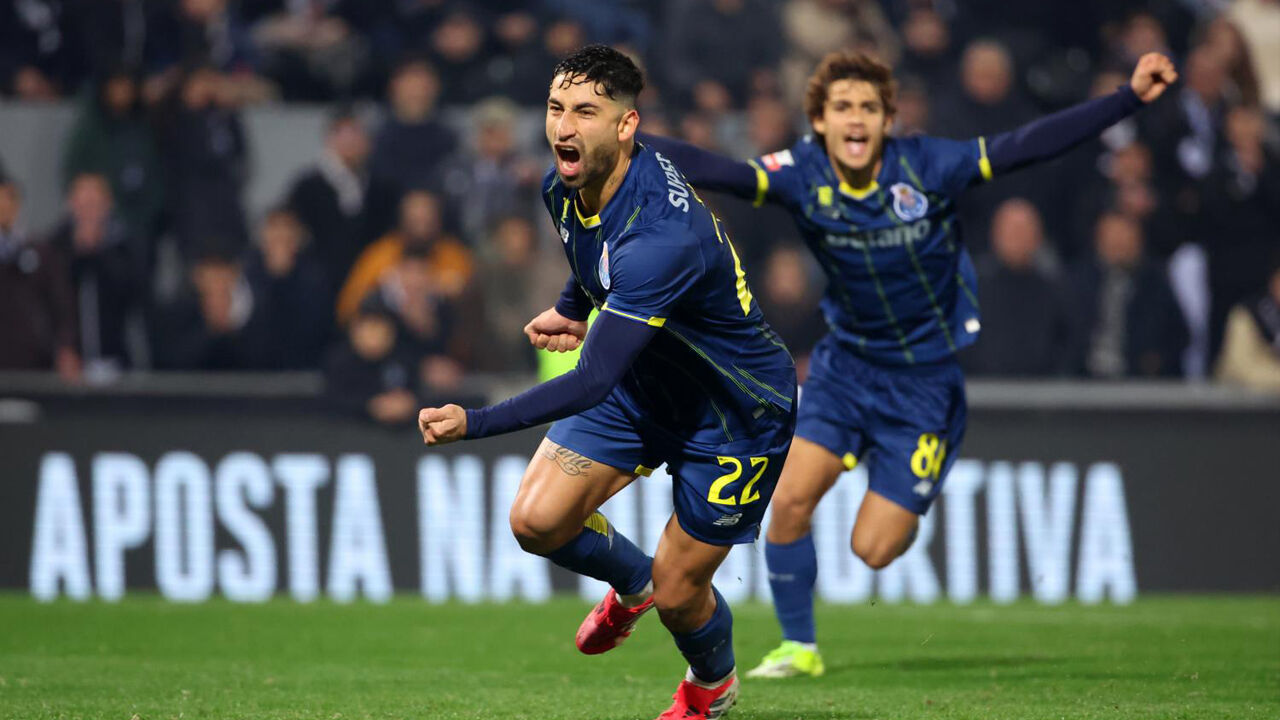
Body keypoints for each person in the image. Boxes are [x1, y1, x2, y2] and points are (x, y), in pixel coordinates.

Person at [640, 49, 1178, 677]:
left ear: (888, 119)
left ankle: (904, 490)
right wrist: (626, 134)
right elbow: (722, 171)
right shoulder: (800, 172)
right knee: (786, 500)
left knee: (873, 549)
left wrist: (1128, 98)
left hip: (923, 382)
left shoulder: (927, 166)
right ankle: (799, 648)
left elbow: (1027, 144)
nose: (856, 118)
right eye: (842, 107)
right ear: (819, 120)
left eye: (869, 106)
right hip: (846, 370)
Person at [416, 46, 796, 720]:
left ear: (627, 127)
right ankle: (633, 581)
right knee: (536, 521)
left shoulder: (663, 236)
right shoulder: (561, 186)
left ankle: (712, 686)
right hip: (648, 381)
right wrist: (572, 305)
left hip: (735, 410)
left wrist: (474, 422)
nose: (564, 126)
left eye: (586, 112)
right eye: (557, 108)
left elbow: (592, 378)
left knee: (685, 598)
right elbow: (594, 252)